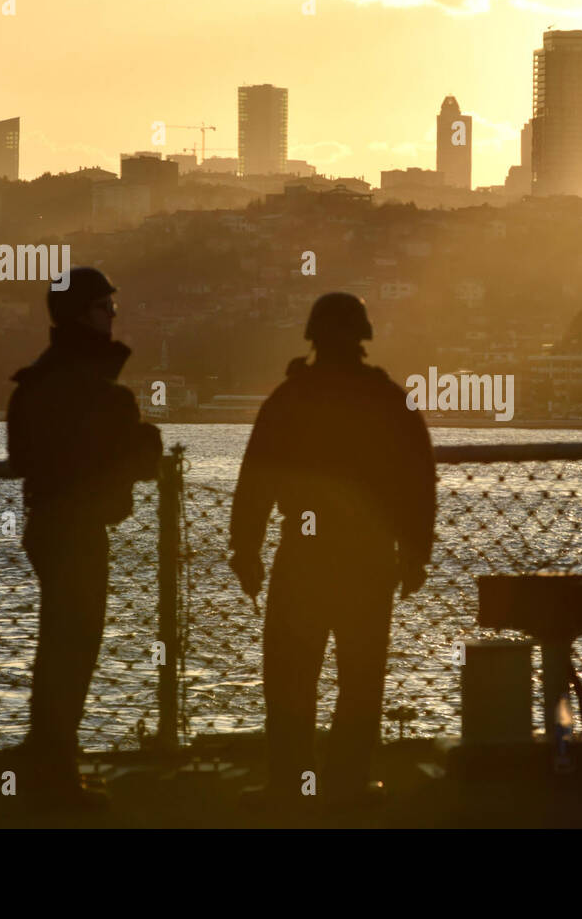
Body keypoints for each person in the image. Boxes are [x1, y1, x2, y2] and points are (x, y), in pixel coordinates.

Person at [229, 292, 436, 806]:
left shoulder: (290, 397)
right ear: (363, 337)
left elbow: (255, 478)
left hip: (303, 552)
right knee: (361, 676)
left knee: (290, 673)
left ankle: (290, 783)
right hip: (369, 556)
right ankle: (348, 783)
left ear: (313, 338)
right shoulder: (389, 399)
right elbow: (419, 482)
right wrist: (415, 551)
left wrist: (246, 548)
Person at [7, 267, 163, 805]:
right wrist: (145, 439)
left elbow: (24, 453)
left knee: (60, 648)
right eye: (105, 308)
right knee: (73, 651)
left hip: (49, 524)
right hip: (78, 529)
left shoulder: (41, 378)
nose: (113, 316)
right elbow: (135, 459)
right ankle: (53, 777)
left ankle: (47, 764)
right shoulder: (94, 386)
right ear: (82, 315)